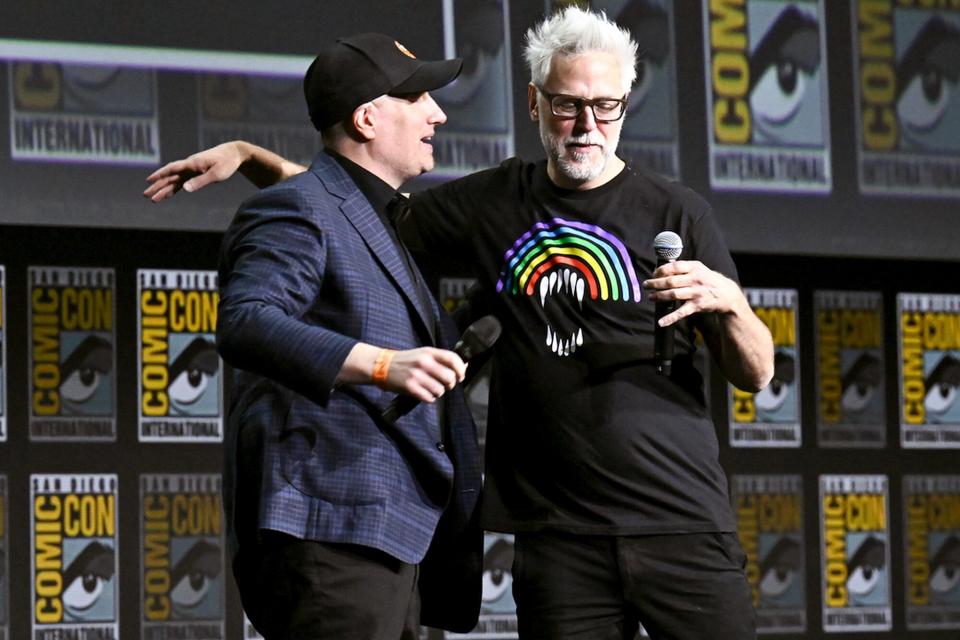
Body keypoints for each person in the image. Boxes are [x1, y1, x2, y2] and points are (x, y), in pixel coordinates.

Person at [146, 8, 774, 639]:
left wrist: (734, 307)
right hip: (557, 540)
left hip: (683, 523)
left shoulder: (680, 213)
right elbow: (346, 202)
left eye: (606, 106)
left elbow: (757, 372)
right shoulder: (493, 201)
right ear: (533, 103)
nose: (587, 125)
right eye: (567, 105)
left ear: (624, 106)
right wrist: (255, 159)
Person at [211, 33, 483, 640]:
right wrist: (385, 364)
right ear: (367, 118)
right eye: (417, 98)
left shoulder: (359, 212)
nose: (437, 113)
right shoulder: (297, 207)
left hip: (386, 538)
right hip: (331, 533)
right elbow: (246, 319)